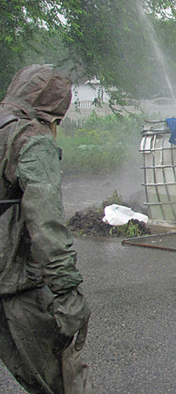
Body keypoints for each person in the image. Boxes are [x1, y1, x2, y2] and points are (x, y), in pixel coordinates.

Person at [0, 65, 93, 393]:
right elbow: (46, 224)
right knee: (66, 383)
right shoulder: (30, 139)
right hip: (18, 291)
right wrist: (68, 294)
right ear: (53, 113)